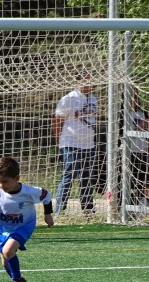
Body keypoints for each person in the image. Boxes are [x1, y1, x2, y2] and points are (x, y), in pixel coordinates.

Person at [0, 157, 54, 282]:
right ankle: (19, 280)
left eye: (5, 181)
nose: (1, 185)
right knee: (5, 260)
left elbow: (46, 196)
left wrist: (48, 215)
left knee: (8, 251)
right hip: (3, 228)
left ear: (17, 178)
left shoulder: (28, 192)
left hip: (23, 226)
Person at [52, 73, 98, 216]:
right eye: (85, 80)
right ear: (78, 81)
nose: (88, 83)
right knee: (69, 176)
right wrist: (58, 140)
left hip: (88, 144)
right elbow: (57, 121)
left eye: (90, 80)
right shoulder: (69, 98)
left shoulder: (93, 99)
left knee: (87, 177)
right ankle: (59, 210)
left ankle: (88, 209)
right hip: (71, 143)